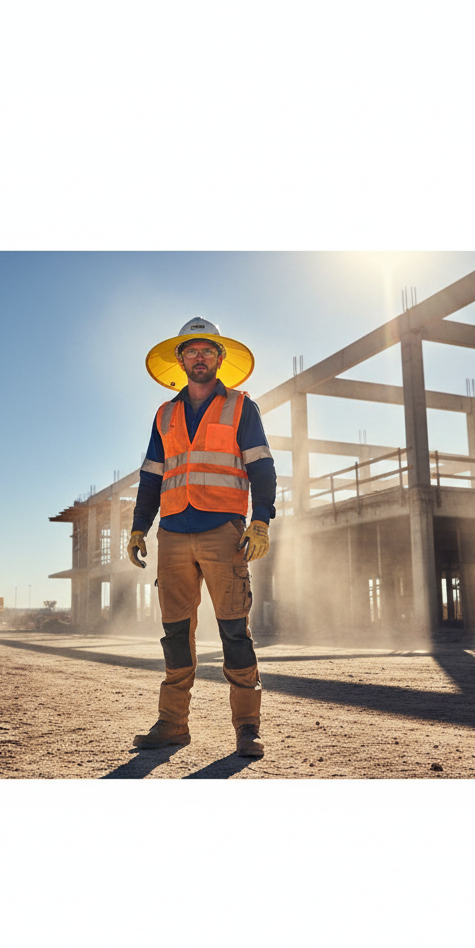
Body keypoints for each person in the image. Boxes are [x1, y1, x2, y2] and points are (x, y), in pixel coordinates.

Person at [127, 317, 276, 757]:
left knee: (234, 631)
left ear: (220, 358)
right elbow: (152, 475)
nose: (199, 357)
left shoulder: (241, 407)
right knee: (175, 634)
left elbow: (261, 467)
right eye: (191, 351)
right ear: (179, 359)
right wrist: (139, 525)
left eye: (207, 350)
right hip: (172, 533)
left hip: (222, 531)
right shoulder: (165, 414)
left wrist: (261, 520)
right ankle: (173, 724)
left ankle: (247, 728)